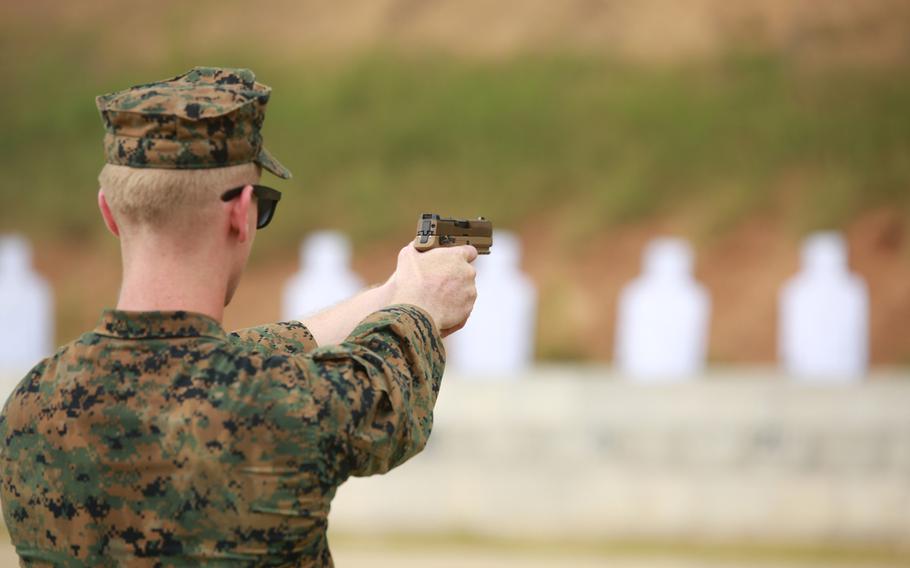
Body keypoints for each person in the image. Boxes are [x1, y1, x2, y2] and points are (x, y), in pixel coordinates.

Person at [0, 67, 477, 566]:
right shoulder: (283, 405)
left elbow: (215, 363)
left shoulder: (30, 406)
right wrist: (420, 308)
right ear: (241, 212)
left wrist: (395, 291)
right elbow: (381, 397)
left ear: (109, 212)